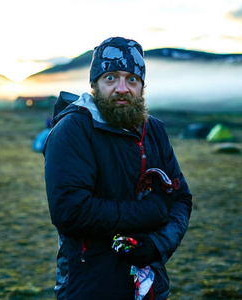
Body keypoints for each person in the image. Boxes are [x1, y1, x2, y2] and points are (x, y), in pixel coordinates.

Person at [43, 37, 193, 300]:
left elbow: (181, 197)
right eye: (111, 78)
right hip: (91, 286)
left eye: (131, 79)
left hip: (150, 286)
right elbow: (71, 211)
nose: (122, 88)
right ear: (95, 84)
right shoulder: (74, 130)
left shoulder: (154, 130)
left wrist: (157, 244)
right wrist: (152, 211)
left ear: (142, 86)